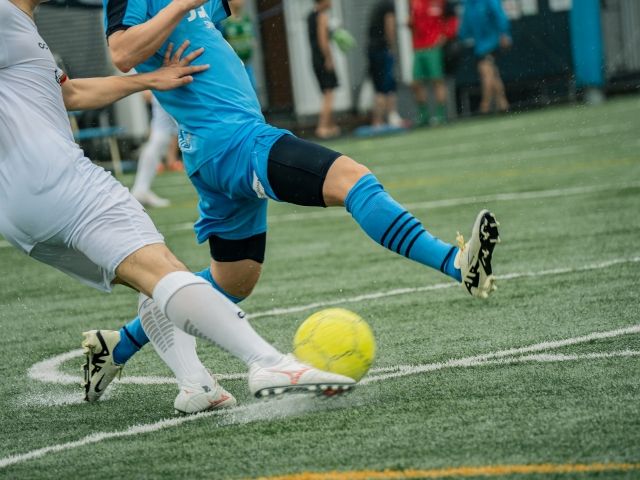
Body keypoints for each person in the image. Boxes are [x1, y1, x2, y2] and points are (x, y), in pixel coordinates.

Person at [90, 0, 501, 410]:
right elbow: (123, 52)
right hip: (235, 141)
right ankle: (455, 263)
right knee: (352, 180)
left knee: (234, 282)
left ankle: (116, 346)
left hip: (219, 149)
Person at [0, 0, 355, 415]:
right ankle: (268, 363)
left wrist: (149, 80)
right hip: (57, 179)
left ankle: (194, 384)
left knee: (149, 278)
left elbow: (71, 94)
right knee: (165, 271)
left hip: (17, 210)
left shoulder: (21, 25)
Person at [409, 0, 458, 125]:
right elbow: (414, 21)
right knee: (416, 83)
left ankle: (440, 115)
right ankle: (424, 115)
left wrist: (445, 35)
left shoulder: (441, 2)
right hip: (418, 48)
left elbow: (452, 20)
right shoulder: (414, 2)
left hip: (433, 48)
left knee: (437, 80)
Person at [458, 0, 511, 114]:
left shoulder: (490, 1)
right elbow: (466, 24)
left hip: (494, 41)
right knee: (493, 74)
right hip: (480, 45)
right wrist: (461, 36)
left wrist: (504, 33)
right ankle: (503, 104)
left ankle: (485, 106)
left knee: (485, 71)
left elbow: (499, 15)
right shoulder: (468, 3)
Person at [130, 93, 178, 207]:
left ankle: (141, 189)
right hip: (172, 88)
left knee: (160, 139)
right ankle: (141, 190)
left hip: (171, 88)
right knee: (159, 139)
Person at [367, 0, 405, 129]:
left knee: (379, 87)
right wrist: (392, 46)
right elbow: (389, 25)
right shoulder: (388, 5)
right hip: (382, 49)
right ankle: (390, 117)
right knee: (387, 85)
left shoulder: (378, 5)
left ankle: (378, 120)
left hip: (372, 49)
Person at [308, 0, 340, 139]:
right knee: (329, 93)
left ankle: (330, 126)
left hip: (314, 57)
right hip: (322, 58)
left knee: (327, 92)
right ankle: (322, 127)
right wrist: (328, 58)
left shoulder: (310, 15)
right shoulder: (322, 16)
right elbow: (322, 39)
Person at [219, 0, 257, 91]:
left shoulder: (247, 18)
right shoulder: (223, 22)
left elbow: (253, 38)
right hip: (232, 69)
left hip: (247, 65)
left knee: (252, 91)